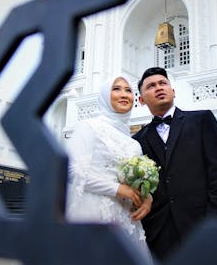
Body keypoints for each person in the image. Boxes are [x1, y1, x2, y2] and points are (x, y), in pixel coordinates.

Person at [133, 67, 217, 261]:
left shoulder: (202, 120)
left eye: (163, 83)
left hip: (201, 228)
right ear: (142, 100)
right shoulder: (137, 140)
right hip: (159, 236)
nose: (159, 88)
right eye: (151, 86)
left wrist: (213, 225)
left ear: (173, 91)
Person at [65, 76, 154, 261]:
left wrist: (147, 197)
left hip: (127, 220)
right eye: (117, 89)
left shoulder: (134, 144)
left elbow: (136, 183)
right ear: (105, 96)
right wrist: (118, 189)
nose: (124, 94)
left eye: (128, 90)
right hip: (93, 213)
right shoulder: (88, 127)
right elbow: (72, 171)